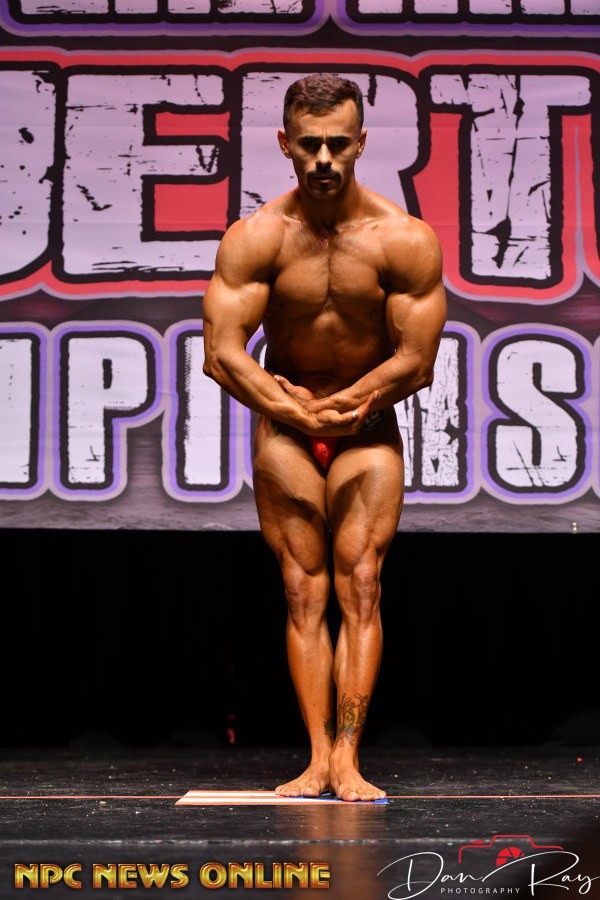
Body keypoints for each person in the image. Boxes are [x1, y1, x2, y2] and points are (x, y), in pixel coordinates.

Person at [202, 73, 447, 801]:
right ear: (285, 143)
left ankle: (348, 756)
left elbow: (416, 361)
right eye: (309, 145)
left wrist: (339, 407)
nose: (324, 160)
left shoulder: (403, 239)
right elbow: (222, 352)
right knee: (302, 591)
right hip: (288, 424)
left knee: (362, 585)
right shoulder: (257, 238)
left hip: (365, 426)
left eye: (339, 144)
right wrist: (298, 412)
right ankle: (315, 758)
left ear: (361, 142)